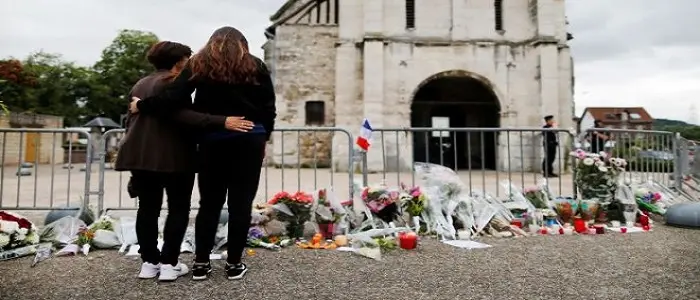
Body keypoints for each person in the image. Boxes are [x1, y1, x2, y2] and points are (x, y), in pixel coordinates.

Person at [128, 26, 276, 281]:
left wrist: (142, 105)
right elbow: (269, 107)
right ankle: (233, 264)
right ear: (243, 44)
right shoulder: (256, 65)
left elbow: (173, 98)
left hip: (213, 140)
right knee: (241, 204)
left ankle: (201, 263)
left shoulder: (200, 63)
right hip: (250, 138)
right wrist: (264, 137)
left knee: (209, 203)